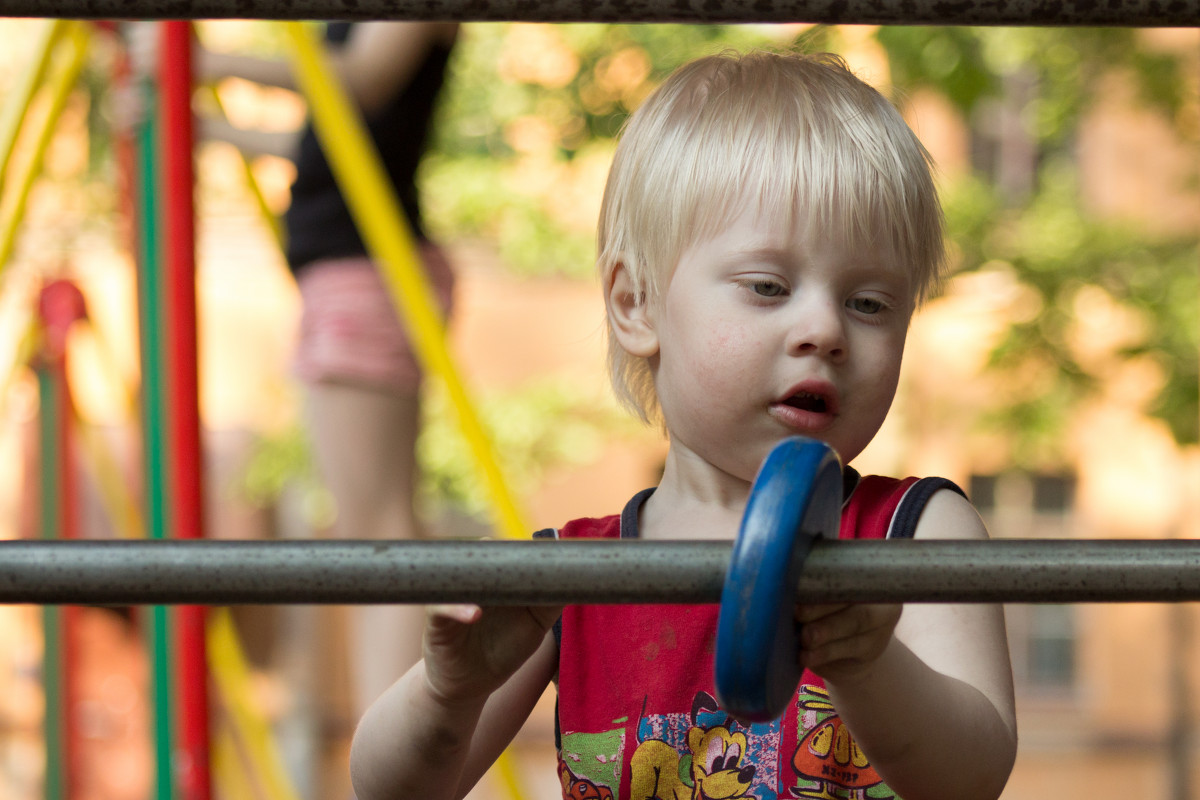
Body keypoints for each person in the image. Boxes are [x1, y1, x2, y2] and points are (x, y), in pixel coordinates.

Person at [348, 49, 1018, 800]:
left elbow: (974, 777)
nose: (825, 328)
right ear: (636, 304)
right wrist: (448, 691)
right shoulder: (569, 578)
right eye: (769, 286)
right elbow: (387, 791)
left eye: (869, 303)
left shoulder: (916, 531)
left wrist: (869, 662)